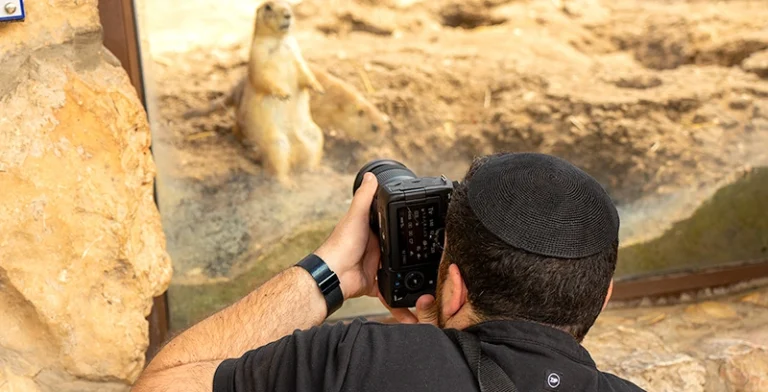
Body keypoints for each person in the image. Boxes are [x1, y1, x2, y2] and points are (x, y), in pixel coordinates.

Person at [131, 152, 645, 392]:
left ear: (455, 288)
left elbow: (160, 387)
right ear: (602, 297)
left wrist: (330, 272)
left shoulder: (359, 362)